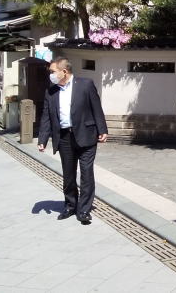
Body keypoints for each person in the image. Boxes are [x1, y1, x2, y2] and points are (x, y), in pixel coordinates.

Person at [37, 57, 108, 225]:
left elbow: (96, 107)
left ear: (64, 71)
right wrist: (42, 139)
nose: (50, 75)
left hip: (86, 135)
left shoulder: (85, 84)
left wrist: (102, 130)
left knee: (86, 173)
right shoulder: (51, 91)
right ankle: (70, 205)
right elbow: (47, 116)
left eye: (53, 71)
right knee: (68, 174)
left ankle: (84, 209)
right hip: (64, 137)